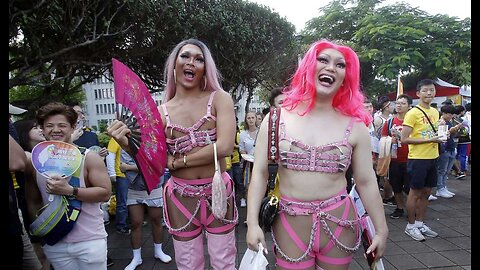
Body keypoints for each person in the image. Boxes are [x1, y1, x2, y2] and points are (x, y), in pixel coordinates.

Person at [246, 39, 388, 269]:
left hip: (340, 221)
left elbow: (366, 180)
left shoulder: (356, 125)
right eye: (323, 60)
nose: (331, 67)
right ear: (308, 67)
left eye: (340, 65)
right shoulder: (275, 119)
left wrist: (381, 229)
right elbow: (260, 174)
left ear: (345, 77)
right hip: (289, 222)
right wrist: (252, 222)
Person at [108, 38, 237, 270]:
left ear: (205, 67)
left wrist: (179, 162)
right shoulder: (160, 112)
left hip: (218, 190)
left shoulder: (220, 98)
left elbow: (226, 146)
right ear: (174, 64)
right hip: (180, 196)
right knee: (188, 263)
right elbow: (153, 159)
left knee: (224, 261)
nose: (192, 63)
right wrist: (126, 143)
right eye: (185, 56)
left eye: (199, 59)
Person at [25, 102, 111, 268]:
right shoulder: (36, 162)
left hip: (90, 240)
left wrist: (70, 191)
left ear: (72, 127)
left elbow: (105, 193)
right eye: (49, 125)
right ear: (42, 128)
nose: (55, 130)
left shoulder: (89, 157)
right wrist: (42, 229)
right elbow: (33, 200)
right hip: (55, 242)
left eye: (62, 125)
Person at [401, 79, 442, 242]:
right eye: (425, 90)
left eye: (432, 90)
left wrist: (441, 136)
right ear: (418, 94)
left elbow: (435, 134)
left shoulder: (434, 111)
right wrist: (430, 140)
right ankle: (410, 226)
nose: (429, 93)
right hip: (418, 159)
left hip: (433, 157)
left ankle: (420, 223)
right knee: (414, 193)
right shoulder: (412, 113)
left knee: (426, 192)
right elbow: (404, 139)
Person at [120, 149, 172, 270]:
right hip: (135, 189)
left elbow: (157, 165)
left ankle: (158, 251)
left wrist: (129, 167)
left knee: (156, 221)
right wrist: (146, 165)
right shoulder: (126, 144)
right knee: (135, 223)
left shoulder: (155, 142)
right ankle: (136, 257)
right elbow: (123, 167)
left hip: (154, 187)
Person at [13, 119, 50, 270]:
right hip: (26, 208)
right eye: (35, 128)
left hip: (42, 206)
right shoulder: (25, 156)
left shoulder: (42, 152)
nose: (41, 130)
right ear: (23, 132)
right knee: (38, 254)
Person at [380, 94, 412, 219]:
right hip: (394, 159)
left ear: (409, 106)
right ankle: (399, 208)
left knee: (410, 188)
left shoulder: (413, 121)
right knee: (396, 186)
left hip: (411, 159)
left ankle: (411, 209)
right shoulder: (390, 122)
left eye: (403, 103)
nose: (399, 105)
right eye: (397, 103)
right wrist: (389, 140)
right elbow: (382, 138)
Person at [436, 104, 463, 198]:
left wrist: (455, 130)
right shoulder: (441, 122)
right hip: (445, 149)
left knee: (446, 171)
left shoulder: (449, 122)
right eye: (449, 114)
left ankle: (443, 187)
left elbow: (451, 136)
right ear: (443, 113)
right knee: (442, 170)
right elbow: (442, 137)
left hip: (451, 148)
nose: (451, 116)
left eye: (452, 114)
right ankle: (439, 188)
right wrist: (452, 130)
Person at [106, 137, 131, 234]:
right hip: (121, 175)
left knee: (131, 201)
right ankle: (121, 226)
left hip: (131, 175)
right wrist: (112, 174)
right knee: (122, 202)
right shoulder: (115, 139)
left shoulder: (130, 138)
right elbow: (110, 155)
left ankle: (130, 221)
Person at [239, 111, 259, 207]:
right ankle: (246, 199)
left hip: (259, 162)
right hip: (247, 163)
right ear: (246, 120)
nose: (251, 120)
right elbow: (241, 149)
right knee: (247, 182)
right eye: (248, 118)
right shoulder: (243, 134)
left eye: (252, 118)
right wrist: (245, 154)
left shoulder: (261, 132)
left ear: (256, 119)